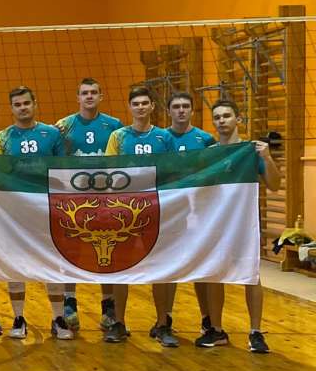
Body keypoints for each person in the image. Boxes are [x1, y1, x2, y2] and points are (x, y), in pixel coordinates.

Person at [197, 100, 281, 353]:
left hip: (244, 223)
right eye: (217, 117)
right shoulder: (210, 153)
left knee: (251, 275)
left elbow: (274, 185)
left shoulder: (251, 151)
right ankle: (217, 330)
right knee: (214, 275)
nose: (221, 120)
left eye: (226, 116)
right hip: (217, 222)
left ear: (239, 119)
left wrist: (267, 157)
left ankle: (255, 332)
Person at [0, 86, 66, 339]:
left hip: (47, 210)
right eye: (17, 104)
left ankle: (58, 318)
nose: (22, 108)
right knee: (15, 264)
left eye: (26, 103)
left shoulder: (52, 134)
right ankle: (18, 318)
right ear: (11, 108)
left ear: (35, 104)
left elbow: (64, 170)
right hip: (16, 212)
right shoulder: (2, 138)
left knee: (53, 263)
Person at [102, 86, 174, 346]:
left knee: (161, 268)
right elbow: (109, 172)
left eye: (145, 103)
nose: (141, 107)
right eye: (136, 103)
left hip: (155, 210)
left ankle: (163, 324)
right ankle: (119, 323)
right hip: (125, 211)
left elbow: (173, 172)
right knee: (121, 267)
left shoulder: (164, 137)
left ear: (153, 106)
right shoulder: (118, 137)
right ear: (130, 107)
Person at [55, 78, 123, 330]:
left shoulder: (114, 126)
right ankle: (69, 300)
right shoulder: (64, 126)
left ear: (101, 96)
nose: (90, 96)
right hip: (74, 200)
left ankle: (108, 304)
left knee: (106, 251)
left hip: (106, 198)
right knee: (70, 249)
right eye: (85, 93)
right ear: (78, 97)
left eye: (94, 92)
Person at [164, 91, 217, 334]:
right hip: (170, 212)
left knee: (201, 265)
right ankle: (164, 318)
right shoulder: (161, 138)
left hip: (200, 211)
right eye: (176, 106)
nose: (181, 110)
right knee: (168, 266)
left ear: (192, 111)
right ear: (169, 111)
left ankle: (207, 318)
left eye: (185, 106)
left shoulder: (205, 139)